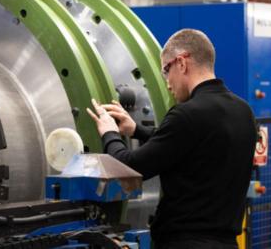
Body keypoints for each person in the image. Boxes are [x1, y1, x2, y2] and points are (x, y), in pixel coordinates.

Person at [87, 29, 256, 249]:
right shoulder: (243, 111)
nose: (167, 83)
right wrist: (136, 130)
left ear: (181, 62)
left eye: (166, 70)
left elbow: (128, 168)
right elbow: (191, 146)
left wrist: (109, 132)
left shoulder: (186, 114)